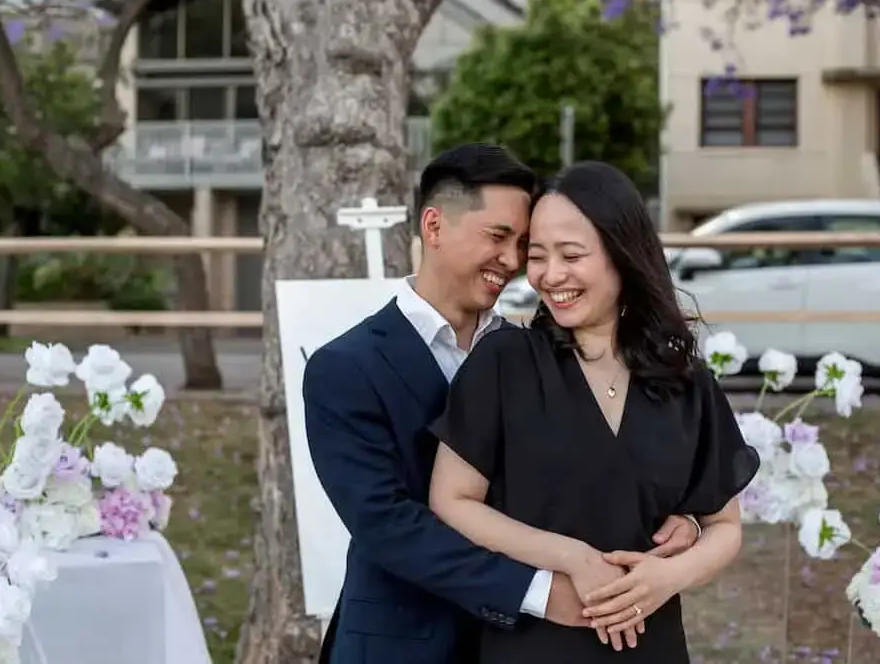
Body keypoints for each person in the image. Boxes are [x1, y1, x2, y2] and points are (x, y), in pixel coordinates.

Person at [303, 145, 702, 664]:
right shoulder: (345, 368)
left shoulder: (537, 353)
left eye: (522, 244)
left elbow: (597, 465)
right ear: (434, 226)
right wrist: (538, 591)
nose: (512, 262)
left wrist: (683, 518)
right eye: (497, 237)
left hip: (531, 649)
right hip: (405, 643)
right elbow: (388, 525)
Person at [427, 160, 761, 663]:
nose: (550, 275)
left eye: (571, 255)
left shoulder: (683, 381)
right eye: (537, 256)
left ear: (622, 255)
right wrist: (570, 558)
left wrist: (667, 577)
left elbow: (725, 526)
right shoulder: (504, 361)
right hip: (532, 644)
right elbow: (452, 499)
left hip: (651, 646)